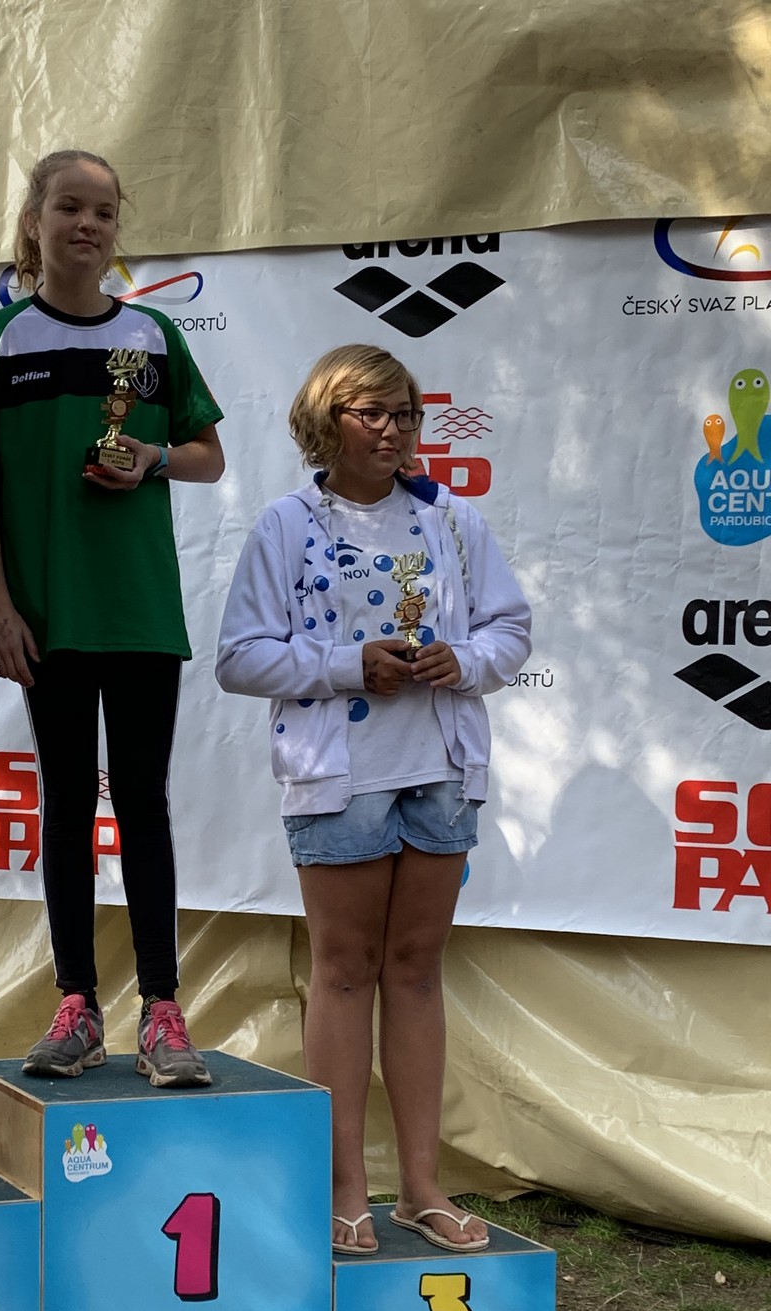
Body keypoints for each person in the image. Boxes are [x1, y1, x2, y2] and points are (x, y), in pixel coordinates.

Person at [216, 345, 531, 1253]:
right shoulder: (286, 524)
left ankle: (422, 1187)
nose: (393, 430)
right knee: (345, 972)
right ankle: (343, 1188)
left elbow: (510, 629)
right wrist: (347, 665)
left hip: (441, 769)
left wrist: (463, 660)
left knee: (417, 970)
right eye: (372, 413)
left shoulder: (453, 520)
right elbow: (241, 656)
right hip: (337, 776)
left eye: (405, 414)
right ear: (328, 420)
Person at [0, 149, 225, 1088]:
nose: (88, 225)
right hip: (48, 616)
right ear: (35, 220)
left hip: (140, 611)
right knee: (66, 805)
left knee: (142, 803)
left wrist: (152, 457)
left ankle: (162, 1010)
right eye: (70, 207)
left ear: (116, 230)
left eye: (104, 212)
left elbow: (209, 456)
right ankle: (77, 1006)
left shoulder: (153, 336)